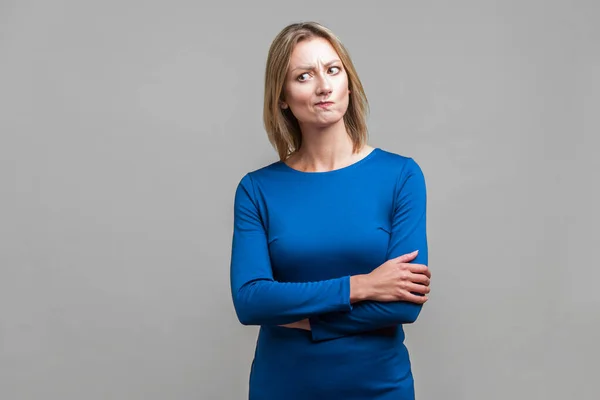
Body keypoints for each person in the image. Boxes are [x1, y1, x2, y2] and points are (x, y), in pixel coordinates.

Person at [229, 21, 432, 400]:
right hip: (284, 387)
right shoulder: (257, 189)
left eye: (332, 70)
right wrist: (362, 286)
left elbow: (404, 305)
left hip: (378, 388)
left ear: (348, 83)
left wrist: (299, 318)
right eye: (304, 76)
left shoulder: (400, 175)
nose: (323, 86)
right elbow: (251, 300)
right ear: (282, 98)